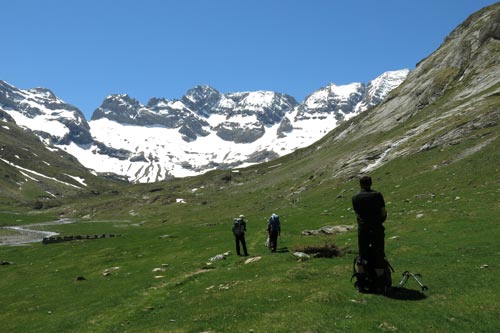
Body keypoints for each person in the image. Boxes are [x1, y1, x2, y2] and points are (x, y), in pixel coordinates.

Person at [352, 175, 387, 292]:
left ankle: (362, 283)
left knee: (362, 254)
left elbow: (357, 213)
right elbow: (383, 212)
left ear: (360, 184)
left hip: (363, 229)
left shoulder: (355, 197)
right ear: (371, 183)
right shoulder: (377, 195)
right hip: (376, 228)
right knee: (378, 253)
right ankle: (380, 283)